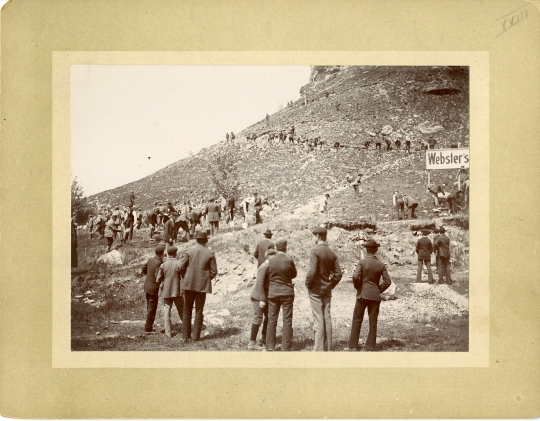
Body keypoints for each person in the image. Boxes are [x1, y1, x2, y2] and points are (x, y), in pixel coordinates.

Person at [345, 239, 391, 351]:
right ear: (376, 250)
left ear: (366, 250)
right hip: (375, 296)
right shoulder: (381, 264)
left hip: (362, 295)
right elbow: (387, 281)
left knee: (357, 319)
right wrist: (377, 290)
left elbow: (355, 277)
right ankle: (370, 347)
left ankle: (353, 346)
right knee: (373, 321)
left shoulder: (362, 262)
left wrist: (358, 287)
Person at [305, 227, 342, 351]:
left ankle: (319, 350)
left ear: (317, 236)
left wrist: (308, 283)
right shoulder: (332, 252)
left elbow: (312, 271)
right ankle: (328, 348)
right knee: (327, 317)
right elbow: (338, 274)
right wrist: (331, 285)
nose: (312, 238)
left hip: (316, 289)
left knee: (318, 318)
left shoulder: (314, 251)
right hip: (327, 290)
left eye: (313, 236)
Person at [179, 231, 218, 342]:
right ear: (206, 241)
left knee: (187, 310)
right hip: (202, 286)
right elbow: (214, 271)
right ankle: (196, 337)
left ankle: (185, 336)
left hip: (189, 284)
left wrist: (185, 277)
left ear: (196, 240)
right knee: (199, 310)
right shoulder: (210, 253)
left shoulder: (189, 251)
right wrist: (205, 279)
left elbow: (181, 267)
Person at [264, 238, 297, 351]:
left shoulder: (270, 260)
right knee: (287, 320)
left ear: (276, 247)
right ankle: (285, 348)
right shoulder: (289, 260)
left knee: (272, 320)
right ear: (285, 247)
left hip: (273, 292)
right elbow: (294, 274)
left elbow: (267, 274)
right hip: (287, 292)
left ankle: (269, 346)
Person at [249, 248, 277, 350]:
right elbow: (259, 284)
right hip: (258, 297)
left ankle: (264, 338)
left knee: (269, 317)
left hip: (265, 296)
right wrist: (262, 299)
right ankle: (252, 343)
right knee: (258, 318)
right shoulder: (263, 267)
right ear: (269, 256)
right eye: (274, 257)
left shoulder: (270, 266)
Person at [156, 246, 184, 337]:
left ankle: (168, 332)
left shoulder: (163, 265)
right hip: (177, 291)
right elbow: (183, 277)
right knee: (182, 310)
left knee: (167, 311)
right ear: (176, 253)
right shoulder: (179, 263)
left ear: (168, 254)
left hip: (166, 291)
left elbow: (158, 279)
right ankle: (187, 328)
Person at [141, 244, 165, 334]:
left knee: (149, 307)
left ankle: (148, 326)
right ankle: (148, 329)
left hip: (147, 286)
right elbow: (157, 277)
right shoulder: (159, 263)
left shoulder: (151, 259)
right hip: (153, 288)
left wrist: (148, 276)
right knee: (152, 308)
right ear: (162, 253)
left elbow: (143, 268)